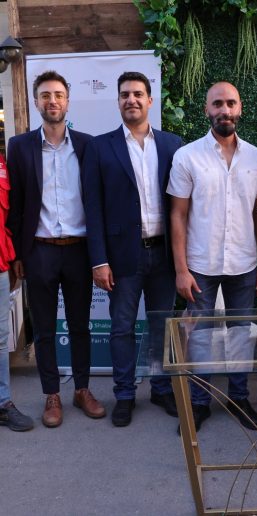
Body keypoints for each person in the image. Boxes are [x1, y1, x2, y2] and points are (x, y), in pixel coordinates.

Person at [167, 81, 257, 432]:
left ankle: (239, 398)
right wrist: (181, 269)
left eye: (230, 103)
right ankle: (199, 402)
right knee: (199, 336)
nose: (224, 110)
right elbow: (178, 214)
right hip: (200, 264)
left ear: (240, 108)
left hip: (244, 263)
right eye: (217, 104)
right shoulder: (187, 156)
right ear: (206, 109)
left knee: (240, 333)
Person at [82, 71, 183, 427]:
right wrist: (99, 260)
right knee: (122, 327)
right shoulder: (100, 147)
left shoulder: (172, 144)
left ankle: (161, 388)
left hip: (164, 254)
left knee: (162, 326)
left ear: (150, 100)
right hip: (123, 255)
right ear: (118, 101)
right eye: (125, 94)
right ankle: (124, 394)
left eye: (138, 94)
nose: (132, 100)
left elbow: (183, 205)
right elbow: (92, 208)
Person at [7, 70, 105, 428]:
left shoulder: (87, 145)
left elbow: (96, 201)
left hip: (79, 250)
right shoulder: (19, 146)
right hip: (39, 251)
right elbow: (16, 204)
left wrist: (100, 255)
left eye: (58, 95)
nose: (52, 101)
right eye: (46, 95)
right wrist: (18, 255)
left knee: (80, 326)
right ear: (36, 102)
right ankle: (51, 394)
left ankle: (82, 389)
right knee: (45, 328)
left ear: (67, 101)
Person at [0, 155, 33, 432]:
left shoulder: (0, 163)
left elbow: (8, 217)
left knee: (0, 339)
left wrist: (11, 260)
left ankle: (3, 403)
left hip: (0, 264)